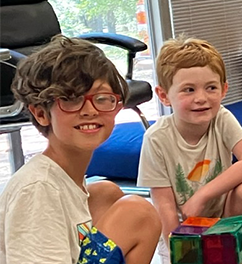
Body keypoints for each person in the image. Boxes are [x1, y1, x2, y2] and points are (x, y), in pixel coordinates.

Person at [0, 35, 161, 264]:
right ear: (41, 114)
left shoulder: (64, 179)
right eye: (71, 99)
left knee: (107, 194)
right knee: (138, 213)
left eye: (102, 98)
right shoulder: (38, 189)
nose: (89, 110)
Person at [136, 37, 242, 264]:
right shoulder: (156, 138)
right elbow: (164, 205)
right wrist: (180, 250)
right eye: (188, 90)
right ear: (164, 96)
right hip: (183, 232)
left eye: (211, 88)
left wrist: (202, 196)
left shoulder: (222, 118)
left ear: (223, 90)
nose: (201, 98)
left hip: (225, 221)